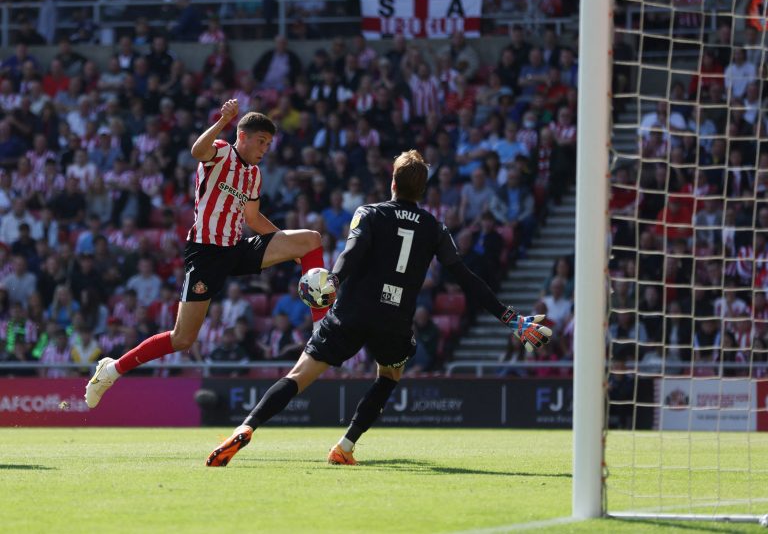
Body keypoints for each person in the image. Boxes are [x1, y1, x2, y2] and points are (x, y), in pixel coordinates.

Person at [206, 149, 551, 467]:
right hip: (395, 321)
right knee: (389, 377)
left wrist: (334, 281)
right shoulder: (435, 227)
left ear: (393, 182)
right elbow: (465, 277)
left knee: (298, 376)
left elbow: (352, 253)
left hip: (352, 312)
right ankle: (345, 446)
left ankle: (247, 428)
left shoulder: (369, 213)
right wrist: (511, 318)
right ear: (422, 189)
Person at [84, 100, 330, 408]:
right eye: (261, 141)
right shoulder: (221, 150)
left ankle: (322, 326)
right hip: (205, 253)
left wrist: (288, 248)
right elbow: (196, 152)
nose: (265, 148)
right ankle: (111, 369)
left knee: (309, 239)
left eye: (269, 143)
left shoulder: (253, 174)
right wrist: (222, 120)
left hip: (236, 249)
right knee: (182, 339)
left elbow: (252, 219)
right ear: (242, 135)